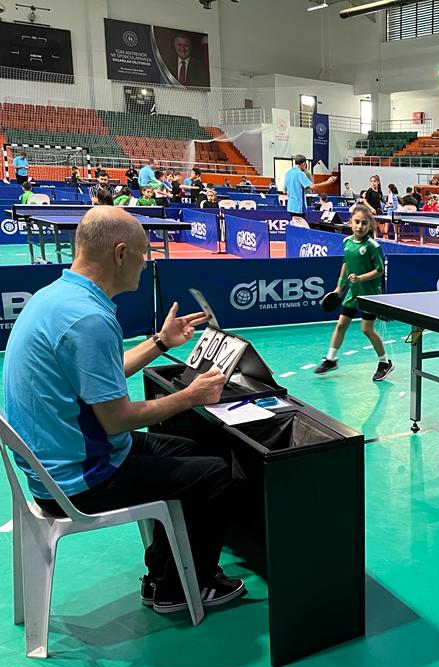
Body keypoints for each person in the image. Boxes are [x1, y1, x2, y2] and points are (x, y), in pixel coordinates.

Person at [3, 207, 246, 614]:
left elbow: (99, 375)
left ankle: (162, 573)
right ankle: (182, 589)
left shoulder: (57, 297)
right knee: (213, 474)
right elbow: (117, 419)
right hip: (78, 480)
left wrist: (161, 343)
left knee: (186, 449)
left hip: (53, 464)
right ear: (120, 254)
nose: (146, 261)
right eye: (143, 252)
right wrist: (192, 395)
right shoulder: (89, 318)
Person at [314, 204, 394, 381]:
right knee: (341, 324)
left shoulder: (373, 246)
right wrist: (339, 287)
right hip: (353, 292)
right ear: (351, 223)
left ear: (370, 225)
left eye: (364, 223)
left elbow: (379, 270)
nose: (360, 226)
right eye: (357, 222)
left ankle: (384, 362)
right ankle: (331, 359)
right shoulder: (347, 242)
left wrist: (360, 278)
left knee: (367, 330)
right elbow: (345, 264)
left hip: (369, 294)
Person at [284, 154, 337, 227]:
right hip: (298, 207)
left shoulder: (288, 173)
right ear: (303, 164)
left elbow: (284, 191)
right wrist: (326, 183)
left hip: (290, 206)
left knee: (296, 227)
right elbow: (312, 187)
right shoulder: (300, 173)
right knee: (302, 228)